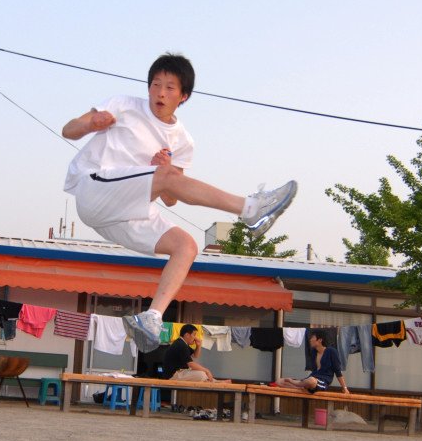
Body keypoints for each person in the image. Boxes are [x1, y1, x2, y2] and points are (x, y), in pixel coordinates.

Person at [62, 53, 297, 346]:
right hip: (94, 188)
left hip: (123, 213)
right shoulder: (123, 105)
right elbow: (68, 129)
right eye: (155, 84)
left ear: (183, 96)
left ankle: (152, 316)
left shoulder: (182, 140)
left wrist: (163, 168)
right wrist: (91, 124)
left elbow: (172, 199)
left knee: (186, 246)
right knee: (166, 175)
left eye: (170, 87)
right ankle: (250, 208)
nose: (160, 92)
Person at [274, 330, 349, 394]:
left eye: (312, 338)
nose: (310, 340)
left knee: (311, 381)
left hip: (322, 382)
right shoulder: (313, 352)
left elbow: (338, 372)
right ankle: (302, 388)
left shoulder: (331, 351)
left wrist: (344, 388)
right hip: (310, 379)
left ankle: (298, 384)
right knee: (279, 381)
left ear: (320, 340)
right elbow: (314, 371)